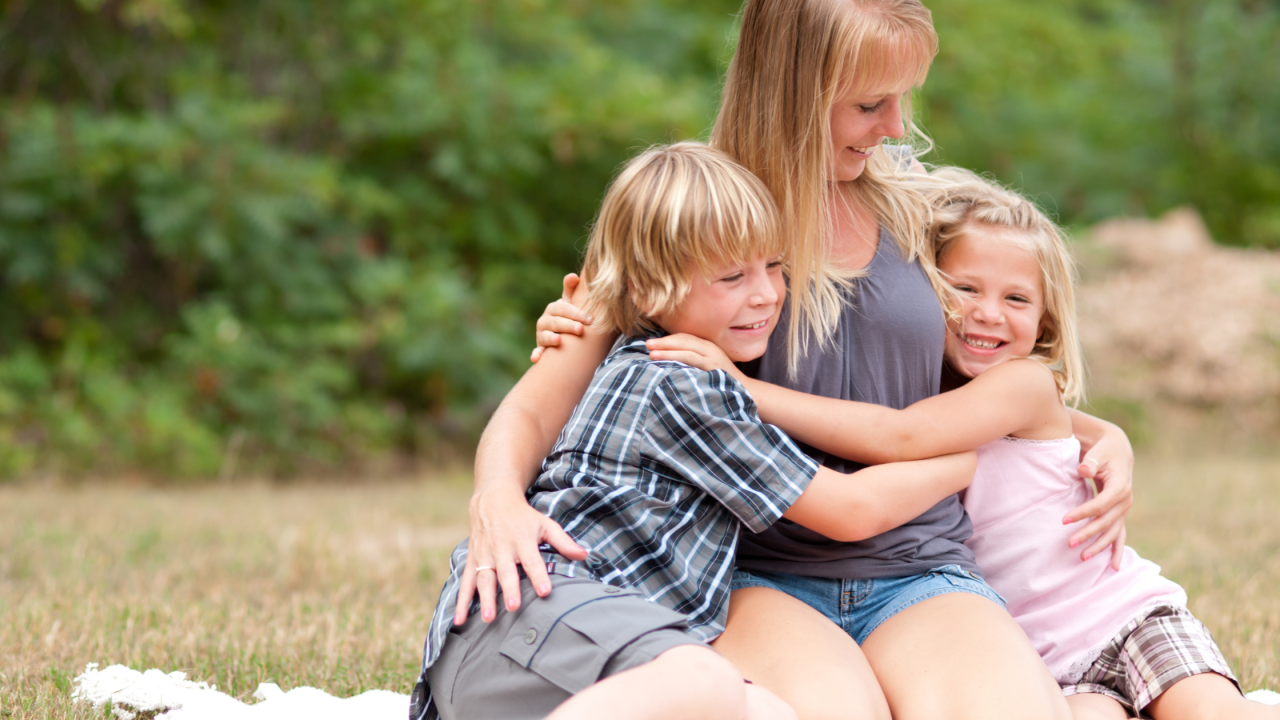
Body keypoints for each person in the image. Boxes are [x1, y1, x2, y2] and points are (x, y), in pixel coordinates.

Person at [472, 1, 1135, 719]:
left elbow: (977, 376)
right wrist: (497, 496)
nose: (895, 127)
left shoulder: (922, 208)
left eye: (903, 99)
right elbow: (540, 402)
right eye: (869, 104)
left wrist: (1100, 435)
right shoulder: (694, 216)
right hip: (756, 575)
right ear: (792, 90)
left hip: (921, 565)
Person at [650, 167, 1274, 720]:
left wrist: (741, 388)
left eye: (1016, 299)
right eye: (965, 290)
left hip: (1121, 619)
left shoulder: (1018, 385)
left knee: (1212, 713)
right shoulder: (946, 392)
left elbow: (902, 435)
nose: (987, 313)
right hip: (1050, 651)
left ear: (1045, 320)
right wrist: (1108, 431)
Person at [410, 142, 976, 720]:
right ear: (647, 289)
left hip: (548, 644)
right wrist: (965, 459)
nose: (766, 293)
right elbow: (851, 510)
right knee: (704, 680)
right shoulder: (683, 387)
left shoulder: (641, 356)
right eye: (732, 276)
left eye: (775, 265)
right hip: (536, 613)